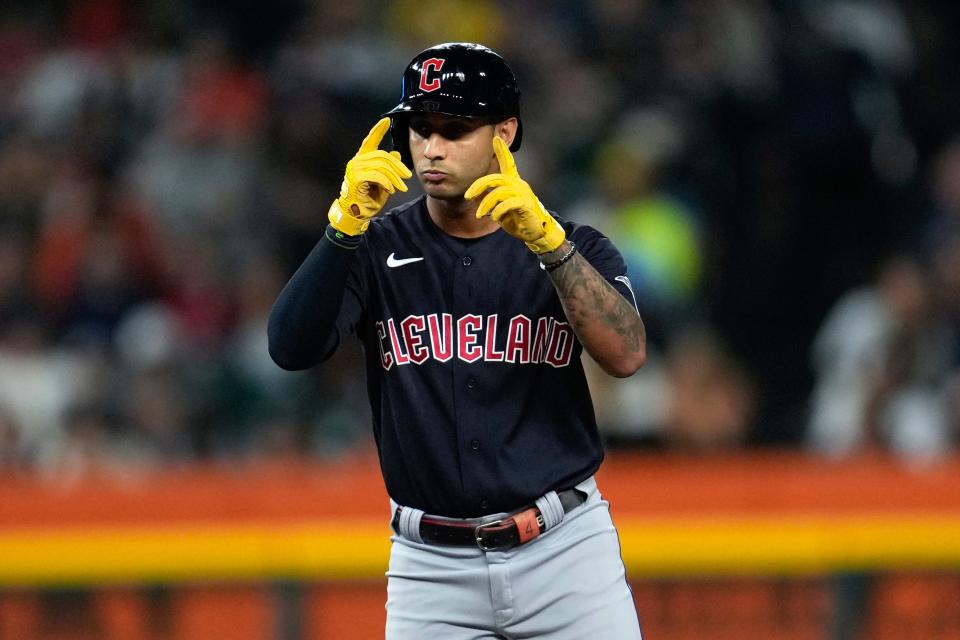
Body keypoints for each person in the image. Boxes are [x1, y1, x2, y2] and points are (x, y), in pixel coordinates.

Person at [269, 42, 646, 639]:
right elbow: (290, 348)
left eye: (456, 128)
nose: (432, 147)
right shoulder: (371, 247)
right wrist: (342, 229)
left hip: (565, 551)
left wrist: (550, 247)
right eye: (419, 127)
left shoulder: (574, 244)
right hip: (430, 566)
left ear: (506, 132)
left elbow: (626, 354)